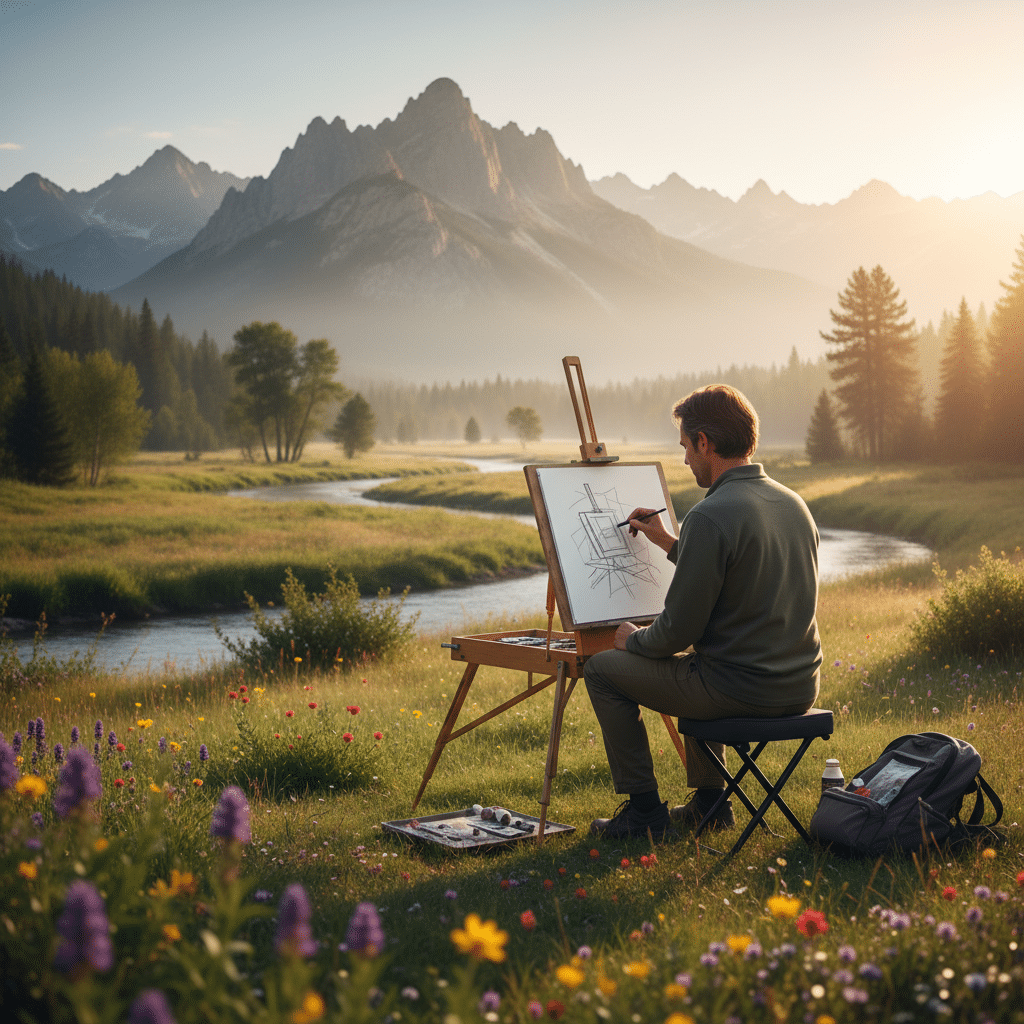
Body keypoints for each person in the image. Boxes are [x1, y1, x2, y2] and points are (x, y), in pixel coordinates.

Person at [585, 384, 822, 839]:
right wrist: (668, 543)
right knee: (699, 667)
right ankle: (712, 807)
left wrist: (631, 639)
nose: (686, 460)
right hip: (798, 687)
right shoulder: (794, 505)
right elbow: (743, 576)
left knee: (602, 670)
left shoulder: (712, 514)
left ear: (705, 443)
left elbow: (675, 632)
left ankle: (643, 814)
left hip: (741, 690)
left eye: (686, 448)